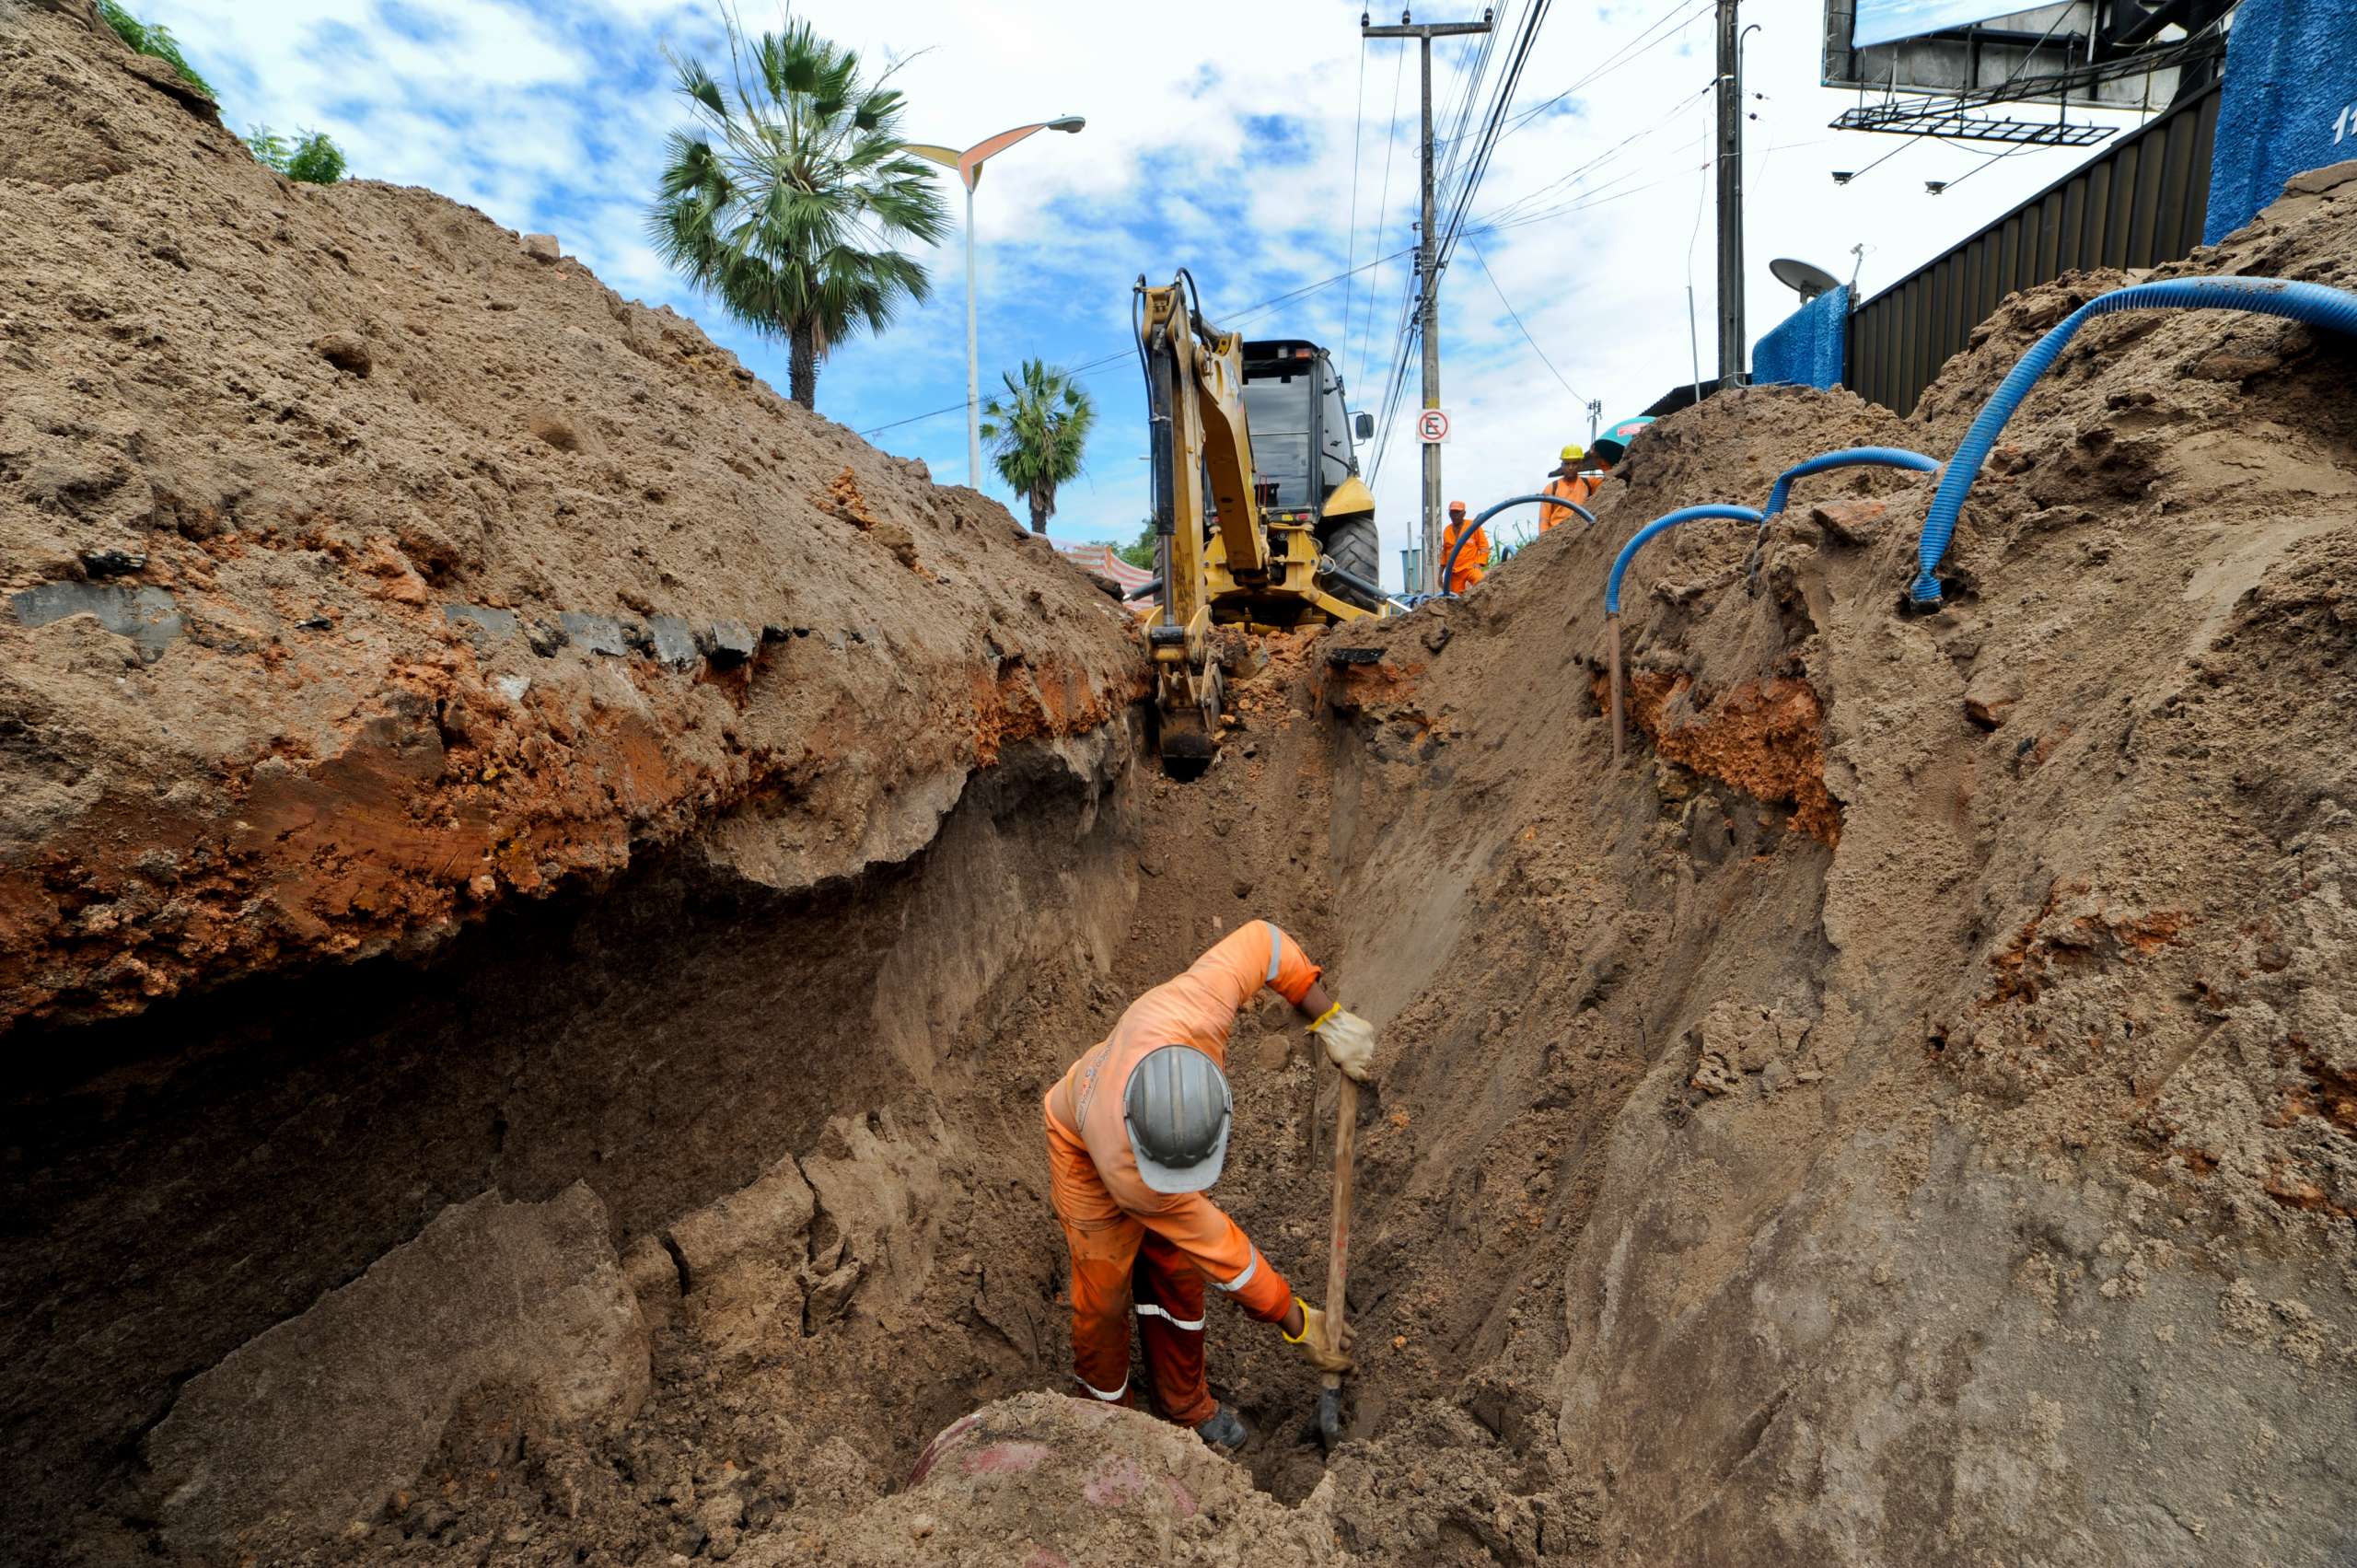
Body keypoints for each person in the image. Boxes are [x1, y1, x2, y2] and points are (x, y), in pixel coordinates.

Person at [1043, 921, 1374, 1449]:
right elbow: (1226, 1253)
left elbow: (1265, 944)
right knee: (1103, 1301)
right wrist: (1297, 1320)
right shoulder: (1130, 1173)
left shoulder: (1199, 1007)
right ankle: (1108, 1423)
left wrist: (1329, 1018)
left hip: (1128, 1117)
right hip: (1080, 1146)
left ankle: (1183, 1405)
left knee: (1176, 1269)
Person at [1540, 444, 1599, 531]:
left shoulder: (1590, 483)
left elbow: (1611, 477)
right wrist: (1543, 542)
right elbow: (1544, 520)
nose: (1570, 467)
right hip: (1556, 536)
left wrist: (1596, 455)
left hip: (1580, 534)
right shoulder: (1552, 488)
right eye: (1567, 464)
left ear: (1581, 464)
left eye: (1574, 463)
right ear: (1562, 465)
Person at [1441, 499, 1488, 593]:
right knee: (1455, 599)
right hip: (1454, 573)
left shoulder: (1473, 526)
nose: (1455, 515)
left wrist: (1480, 562)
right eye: (1452, 512)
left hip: (1470, 568)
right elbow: (1444, 553)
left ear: (1464, 513)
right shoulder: (1447, 531)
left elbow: (1484, 547)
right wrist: (1440, 574)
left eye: (1458, 512)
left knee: (1482, 585)